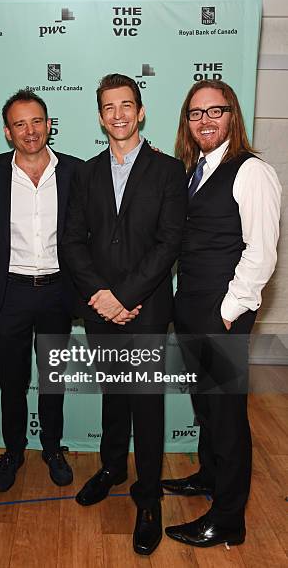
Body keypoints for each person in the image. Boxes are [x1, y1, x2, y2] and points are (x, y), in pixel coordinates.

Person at [61, 73, 187, 555]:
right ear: (99, 115)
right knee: (114, 395)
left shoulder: (168, 171)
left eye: (126, 105)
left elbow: (168, 242)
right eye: (109, 107)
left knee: (147, 405)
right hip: (99, 311)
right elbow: (72, 240)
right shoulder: (86, 173)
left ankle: (149, 496)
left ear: (141, 111)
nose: (118, 115)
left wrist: (127, 296)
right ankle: (112, 467)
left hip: (147, 310)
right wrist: (100, 295)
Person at [162, 80, 281, 547]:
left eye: (215, 111)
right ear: (186, 123)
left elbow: (262, 252)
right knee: (207, 407)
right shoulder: (195, 169)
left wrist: (229, 311)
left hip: (222, 313)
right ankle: (209, 477)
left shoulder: (251, 171)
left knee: (227, 415)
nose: (205, 121)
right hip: (191, 306)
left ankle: (229, 517)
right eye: (195, 114)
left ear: (233, 116)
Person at [0, 90, 82, 491]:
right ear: (7, 132)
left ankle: (53, 448)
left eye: (36, 121)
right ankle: (14, 451)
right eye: (19, 124)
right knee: (12, 381)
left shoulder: (76, 171)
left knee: (53, 379)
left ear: (49, 124)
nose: (30, 130)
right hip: (10, 295)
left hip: (58, 292)